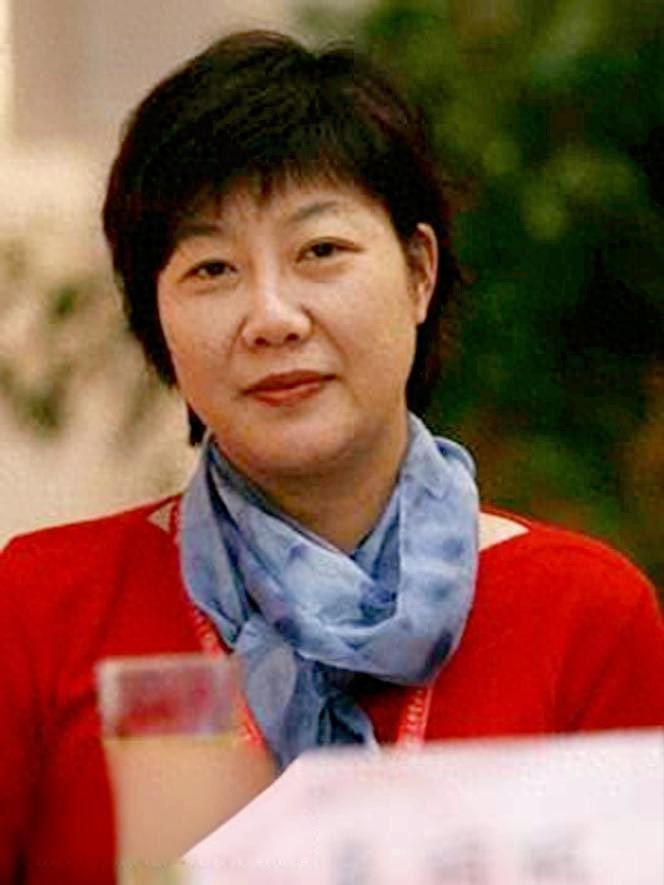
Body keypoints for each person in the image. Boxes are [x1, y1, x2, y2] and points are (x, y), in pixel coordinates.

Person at [1, 29, 662, 884]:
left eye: (320, 252)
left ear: (419, 272)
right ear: (155, 318)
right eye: (212, 268)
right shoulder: (39, 609)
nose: (272, 317)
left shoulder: (585, 616)